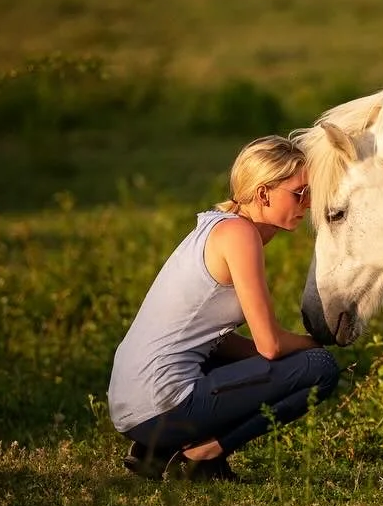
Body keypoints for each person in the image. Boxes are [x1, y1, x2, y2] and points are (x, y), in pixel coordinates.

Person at [108, 135, 341, 481]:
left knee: (289, 361)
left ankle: (156, 451)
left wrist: (286, 360)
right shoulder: (239, 236)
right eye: (299, 192)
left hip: (134, 407)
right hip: (162, 405)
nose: (308, 202)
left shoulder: (216, 226)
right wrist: (318, 342)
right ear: (263, 194)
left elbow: (213, 340)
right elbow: (271, 345)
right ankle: (204, 453)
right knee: (320, 367)